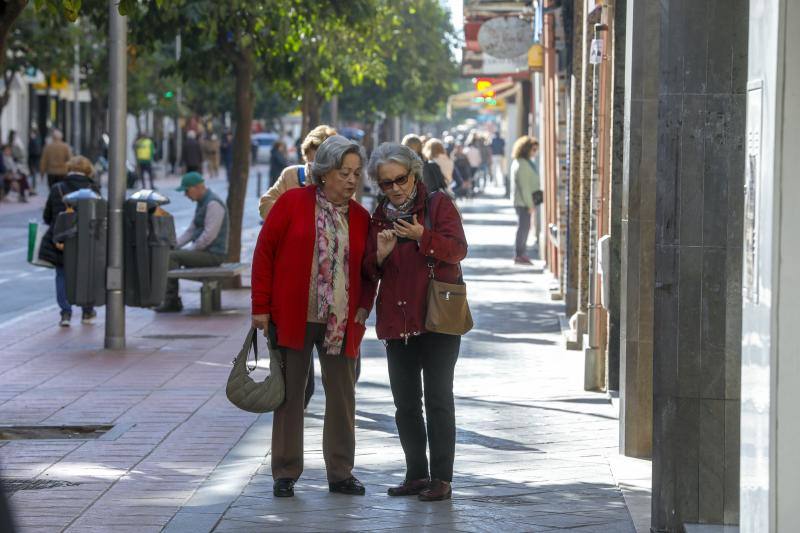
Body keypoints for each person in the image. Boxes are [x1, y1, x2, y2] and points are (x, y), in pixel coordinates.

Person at [251, 135, 374, 498]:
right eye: (343, 172)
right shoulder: (291, 203)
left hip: (341, 321)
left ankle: (340, 472)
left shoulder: (363, 217)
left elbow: (369, 271)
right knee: (289, 397)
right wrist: (260, 306)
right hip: (293, 316)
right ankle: (285, 471)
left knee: (342, 398)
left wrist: (365, 307)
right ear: (323, 173)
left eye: (356, 173)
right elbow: (265, 254)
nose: (351, 180)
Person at [362, 143, 467, 502]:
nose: (394, 188)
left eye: (400, 179)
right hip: (398, 322)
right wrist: (380, 254)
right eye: (386, 183)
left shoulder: (437, 205)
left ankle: (442, 478)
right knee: (405, 404)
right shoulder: (378, 216)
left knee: (439, 400)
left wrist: (423, 237)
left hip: (437, 319)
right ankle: (416, 474)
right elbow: (368, 270)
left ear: (414, 173)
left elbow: (458, 250)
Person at [257, 124, 338, 408]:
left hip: (330, 282)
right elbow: (266, 203)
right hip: (296, 281)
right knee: (297, 365)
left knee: (336, 364)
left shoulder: (341, 181)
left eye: (322, 160)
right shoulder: (293, 176)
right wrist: (290, 222)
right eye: (311, 159)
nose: (315, 166)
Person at [156, 172, 229, 312]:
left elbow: (209, 236)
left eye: (186, 191)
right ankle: (171, 299)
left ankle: (171, 300)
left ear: (197, 187)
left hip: (214, 254)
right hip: (205, 252)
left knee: (171, 257)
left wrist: (190, 250)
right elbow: (191, 231)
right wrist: (175, 245)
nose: (186, 195)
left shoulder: (213, 204)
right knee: (171, 253)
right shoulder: (203, 203)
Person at [39, 156, 99, 326]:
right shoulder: (93, 189)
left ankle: (65, 313)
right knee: (87, 274)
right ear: (87, 170)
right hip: (86, 240)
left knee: (62, 274)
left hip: (61, 240)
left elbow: (47, 216)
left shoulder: (57, 188)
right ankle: (87, 312)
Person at [258, 125, 337, 220]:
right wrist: (290, 214)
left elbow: (348, 218)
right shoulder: (291, 175)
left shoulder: (340, 182)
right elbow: (265, 204)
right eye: (313, 162)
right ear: (306, 155)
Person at [510, 135, 540, 265]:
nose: (535, 152)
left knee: (525, 227)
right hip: (523, 202)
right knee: (523, 227)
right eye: (533, 149)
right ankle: (519, 254)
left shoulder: (525, 162)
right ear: (526, 149)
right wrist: (530, 204)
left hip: (525, 201)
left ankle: (521, 253)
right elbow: (524, 187)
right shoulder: (521, 164)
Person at [28, 127, 42, 192]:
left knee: (33, 173)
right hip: (36, 159)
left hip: (33, 159)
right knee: (34, 174)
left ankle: (32, 187)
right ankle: (33, 187)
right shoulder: (38, 139)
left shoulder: (33, 139)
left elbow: (32, 150)